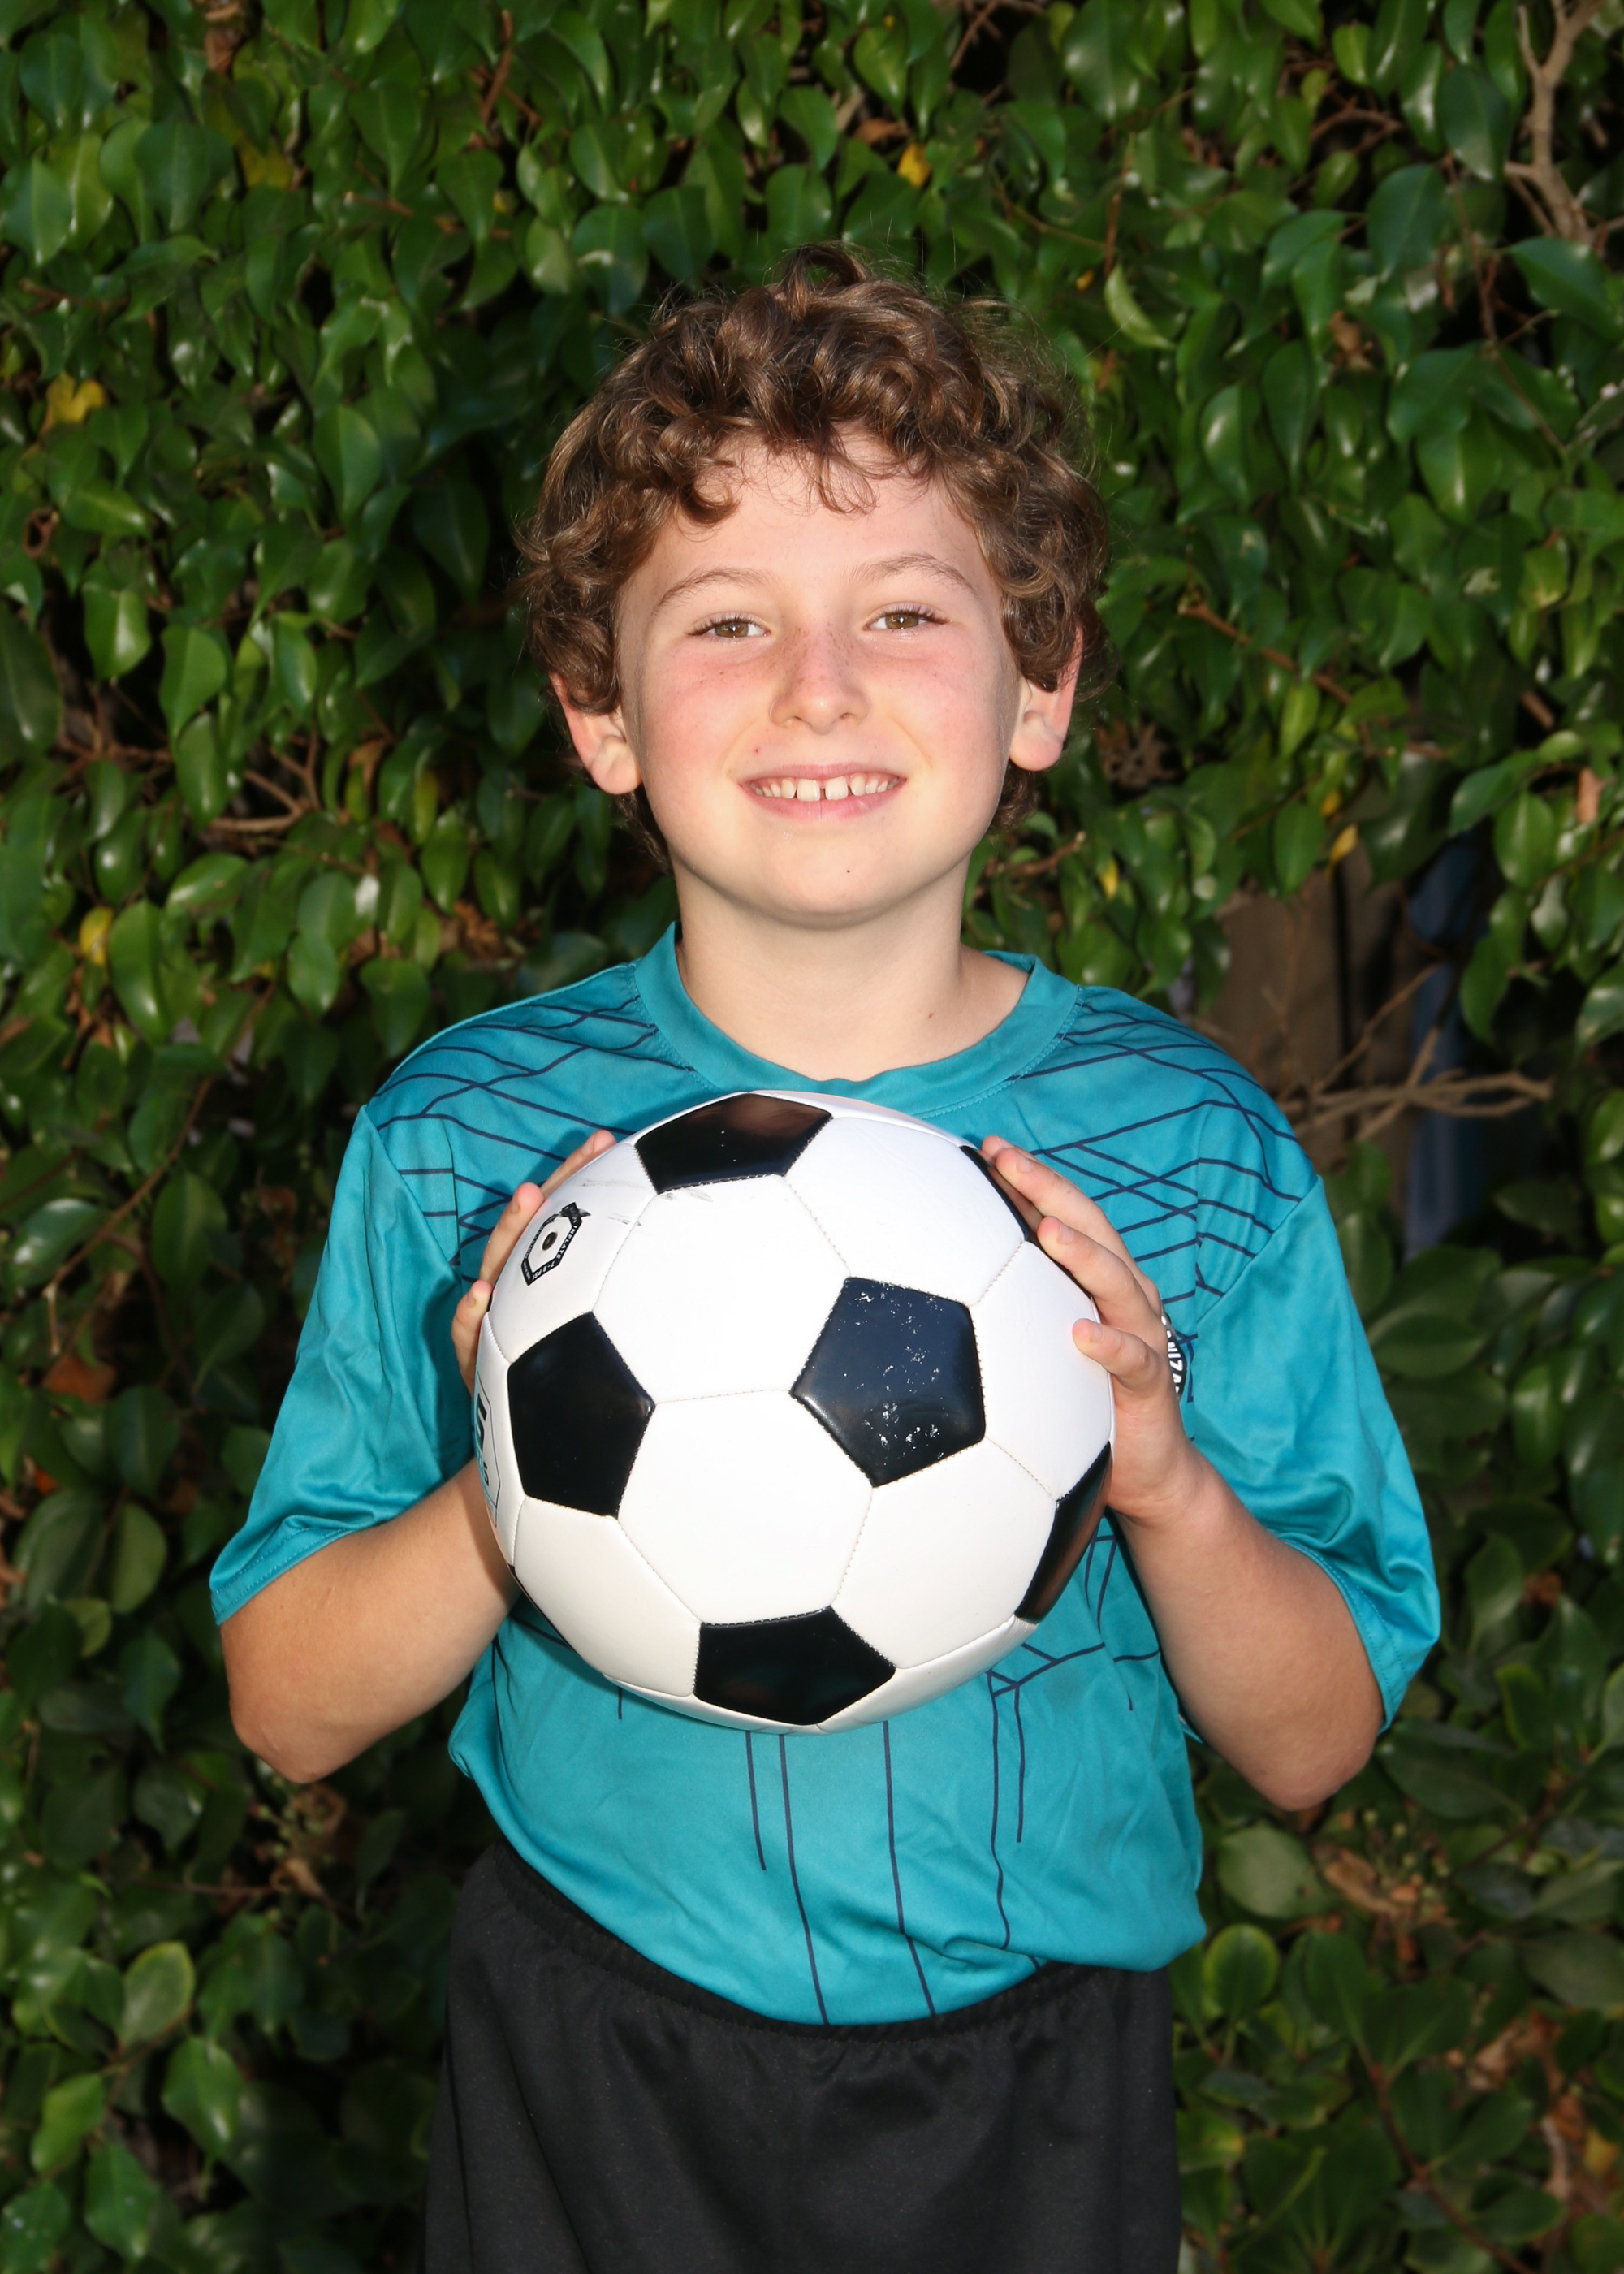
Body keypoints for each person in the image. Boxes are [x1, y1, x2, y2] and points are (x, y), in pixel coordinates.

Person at [215, 245, 1439, 2274]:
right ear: (599, 712)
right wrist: (525, 1466)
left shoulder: (1188, 1148)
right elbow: (288, 1703)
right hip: (593, 2054)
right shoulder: (471, 1137)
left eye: (903, 610)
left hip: (1033, 2083)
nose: (818, 684)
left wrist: (1160, 1473)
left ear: (1039, 684)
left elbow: (1312, 1739)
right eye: (726, 619)